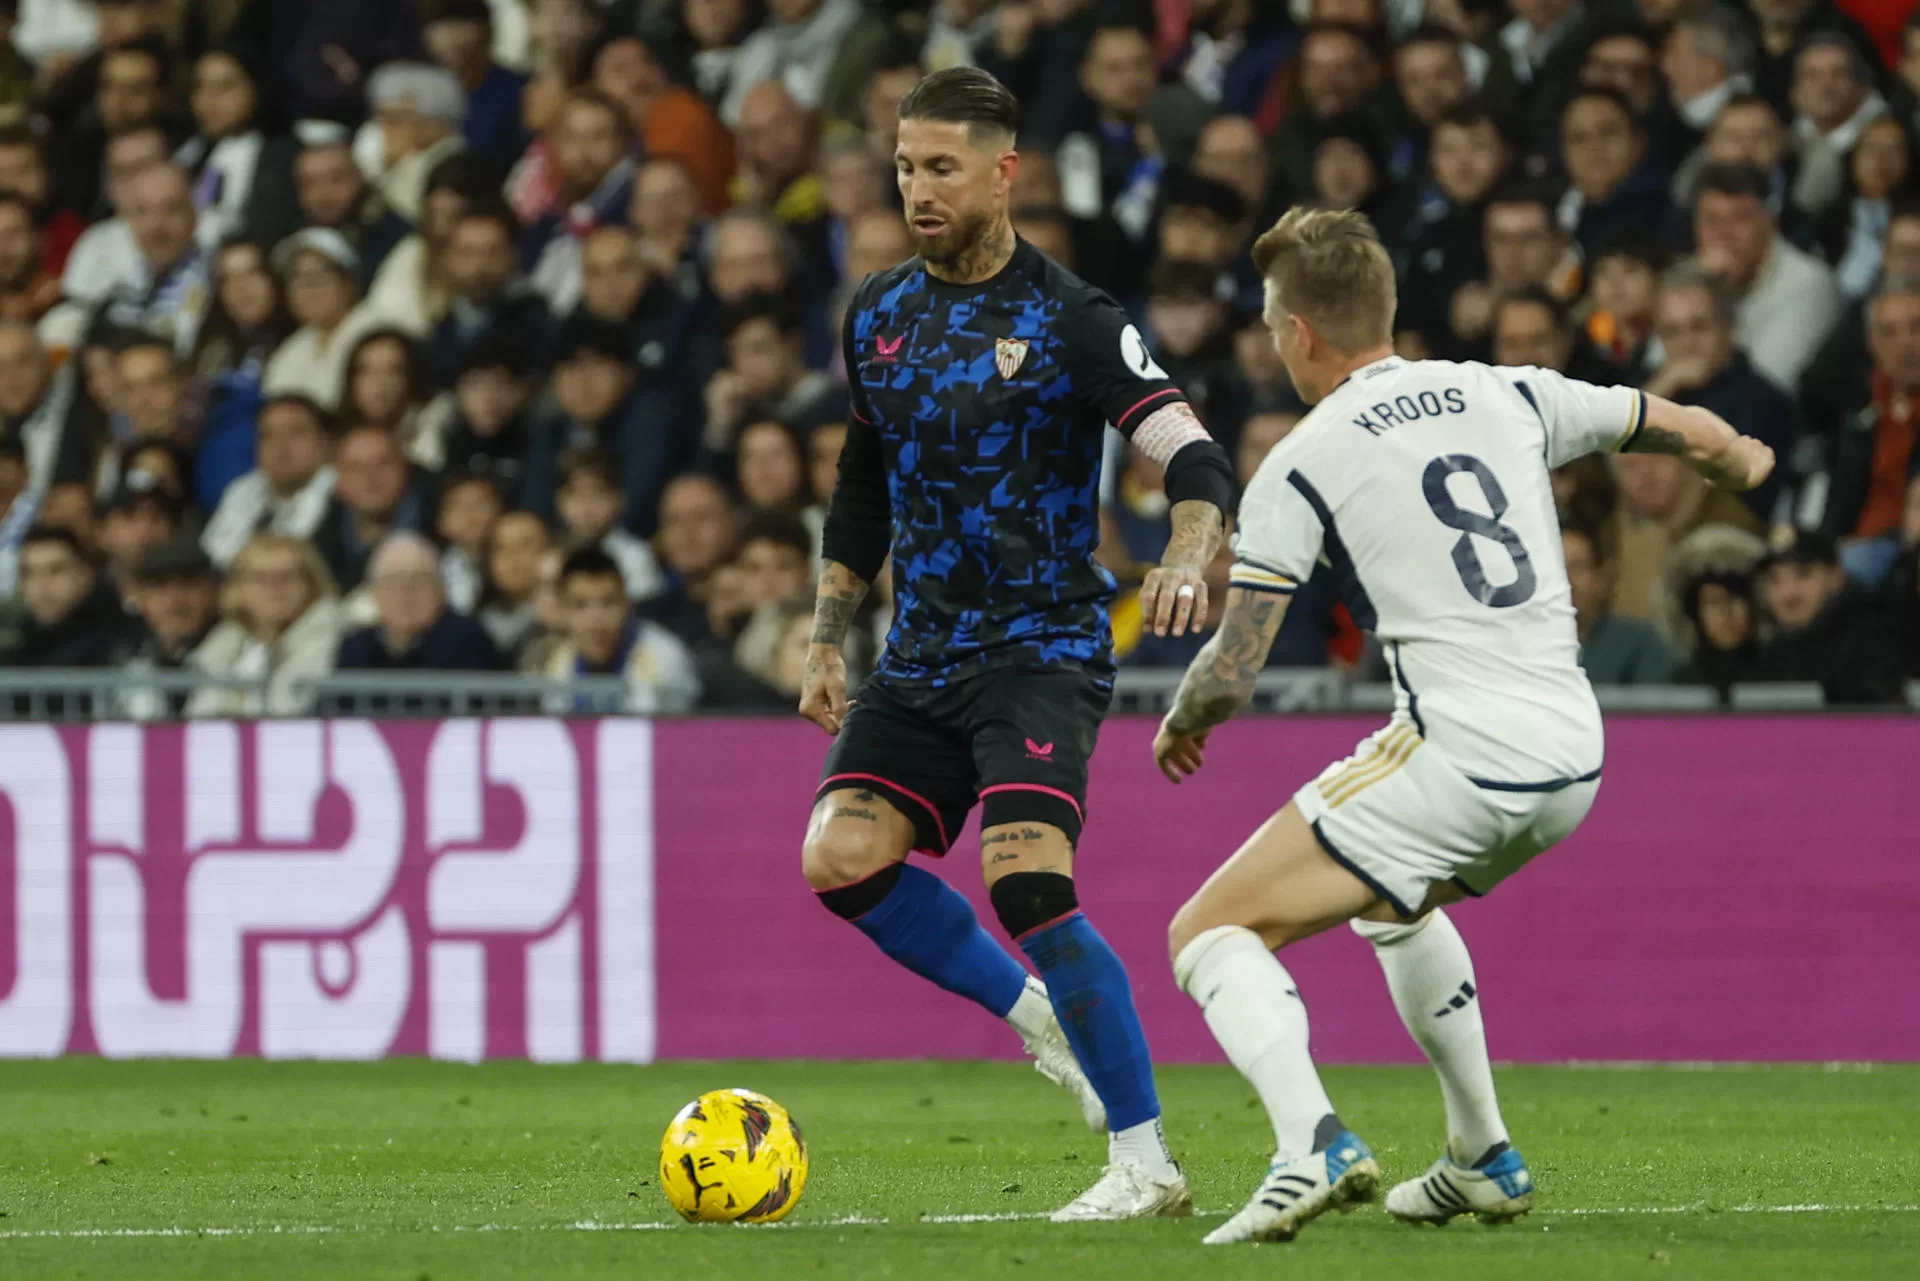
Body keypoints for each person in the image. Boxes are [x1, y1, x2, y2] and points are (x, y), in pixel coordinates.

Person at [1150, 206, 1775, 1243]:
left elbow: (1234, 667)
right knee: (1390, 907)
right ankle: (1482, 1155)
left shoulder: (1302, 458)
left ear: (1300, 332)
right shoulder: (1510, 390)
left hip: (1461, 752)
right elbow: (1691, 430)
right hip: (1572, 754)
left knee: (1207, 932)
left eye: (1269, 325)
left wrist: (1182, 717)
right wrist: (1741, 462)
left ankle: (1310, 1144)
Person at [800, 68, 1236, 1221]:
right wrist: (827, 636)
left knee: (1028, 880)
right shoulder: (878, 313)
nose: (919, 189)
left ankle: (1146, 1163)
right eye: (905, 167)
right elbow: (861, 489)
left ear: (1005, 174)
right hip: (921, 655)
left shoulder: (1072, 316)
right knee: (839, 858)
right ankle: (1039, 1016)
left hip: (1039, 649)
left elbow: (1193, 454)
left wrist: (1189, 549)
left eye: (942, 168)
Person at [185, 531, 343, 717]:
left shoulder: (334, 638)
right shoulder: (224, 643)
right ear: (238, 587)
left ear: (310, 583)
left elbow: (288, 713)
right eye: (260, 577)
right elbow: (199, 715)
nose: (274, 587)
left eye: (286, 576)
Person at [539, 543, 700, 711]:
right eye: (581, 605)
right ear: (564, 610)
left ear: (626, 605)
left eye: (608, 603)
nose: (596, 619)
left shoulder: (663, 659)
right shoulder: (559, 664)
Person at [1752, 529, 1904, 702]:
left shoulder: (1873, 639)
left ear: (1836, 577)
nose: (1787, 593)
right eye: (1774, 580)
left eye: (1803, 574)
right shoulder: (1774, 649)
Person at [336, 530, 503, 671]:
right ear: (374, 592)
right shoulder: (355, 648)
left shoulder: (469, 641)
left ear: (441, 590)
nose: (405, 591)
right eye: (393, 580)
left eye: (419, 579)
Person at [1, 525, 142, 666]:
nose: (41, 585)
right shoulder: (18, 645)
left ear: (85, 575)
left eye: (56, 570)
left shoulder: (120, 644)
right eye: (29, 573)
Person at [1563, 523, 1677, 683]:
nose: (1565, 580)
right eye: (1556, 568)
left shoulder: (1640, 644)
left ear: (1602, 579)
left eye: (1578, 567)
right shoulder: (1528, 646)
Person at [1663, 523, 1768, 695]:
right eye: (1714, 602)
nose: (1726, 613)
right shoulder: (1682, 683)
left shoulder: (1779, 673)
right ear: (1694, 613)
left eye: (1736, 598)